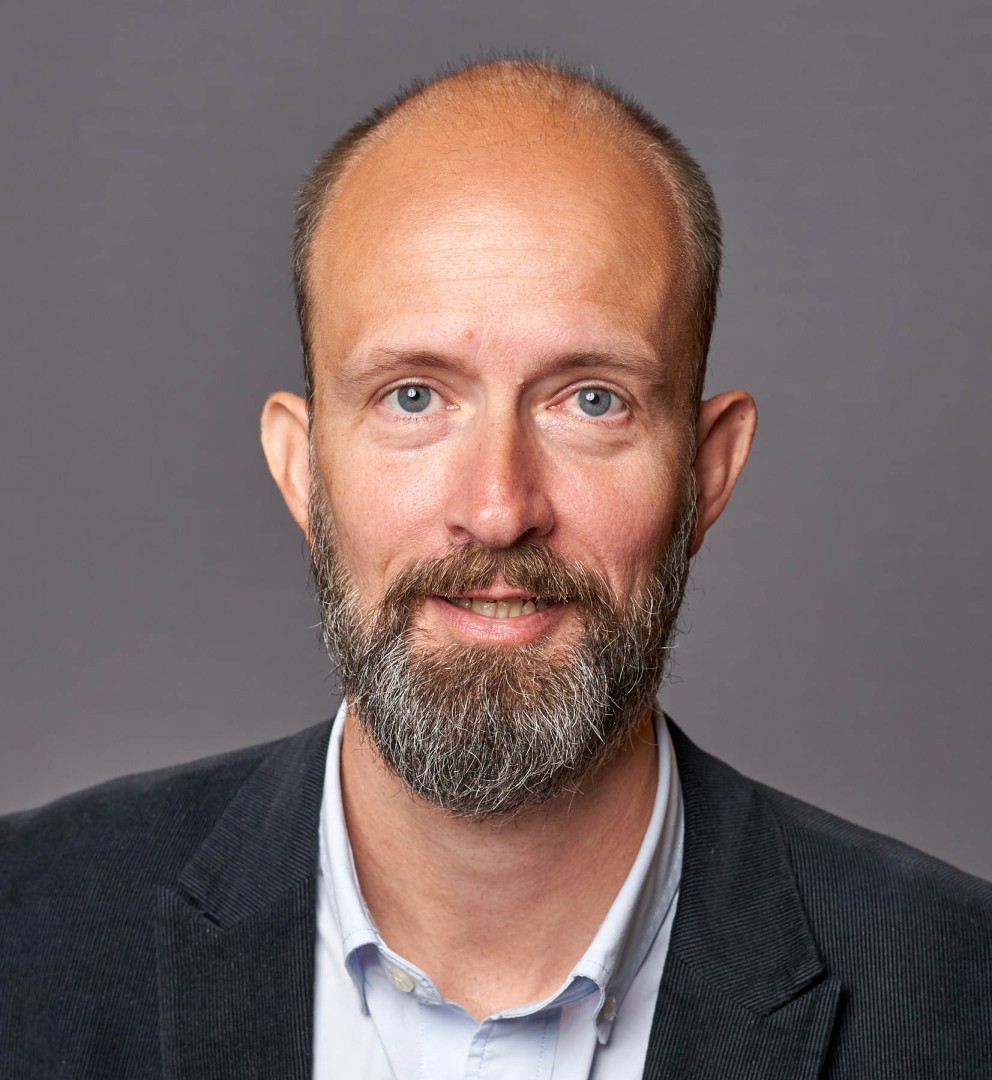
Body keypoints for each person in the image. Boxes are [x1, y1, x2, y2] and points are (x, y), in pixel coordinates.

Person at [1, 57, 990, 1079]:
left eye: (590, 400)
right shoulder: (22, 940)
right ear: (304, 471)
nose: (497, 507)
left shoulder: (961, 1002)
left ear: (705, 472)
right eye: (414, 397)